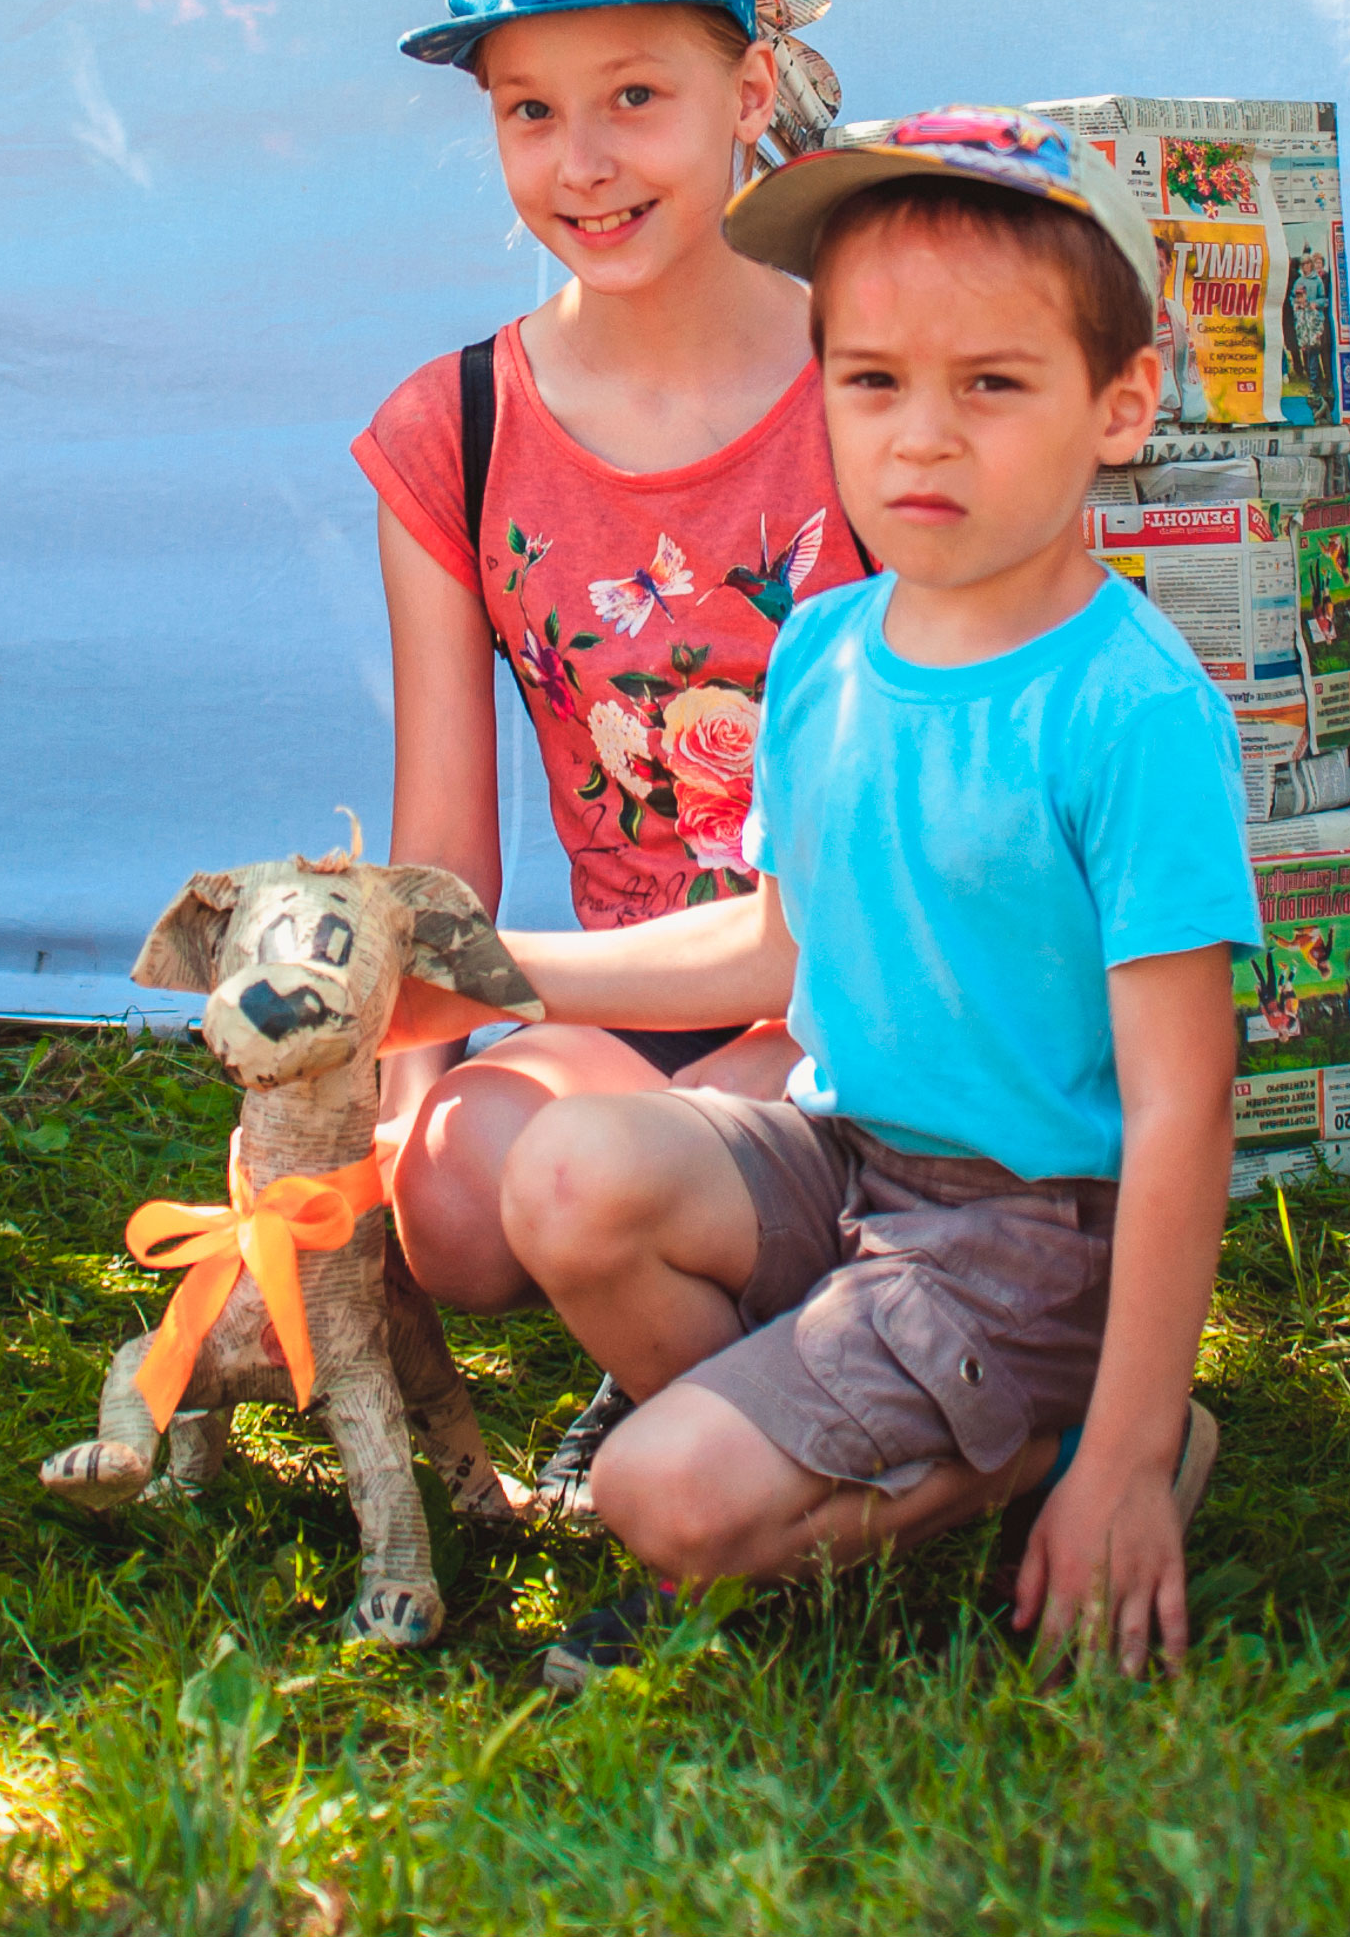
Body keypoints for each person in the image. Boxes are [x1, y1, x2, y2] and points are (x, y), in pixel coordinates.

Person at [491, 108, 1255, 1684]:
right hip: (846, 1156)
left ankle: (1063, 1442)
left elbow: (1184, 1105)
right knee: (564, 1168)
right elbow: (780, 944)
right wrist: (494, 969)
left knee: (650, 1489)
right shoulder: (827, 646)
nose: (921, 438)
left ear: (1121, 403)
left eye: (993, 383)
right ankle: (811, 1432)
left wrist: (1123, 1456)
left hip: (1032, 1224)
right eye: (874, 380)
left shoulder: (1129, 706)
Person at [353, 0, 853, 1424]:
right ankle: (732, 1336)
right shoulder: (455, 427)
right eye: (530, 110)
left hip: (853, 996)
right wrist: (401, 1090)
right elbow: (442, 839)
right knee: (449, 1194)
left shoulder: (871, 388)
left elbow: (867, 886)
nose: (582, 162)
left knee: (664, 1159)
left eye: (636, 96)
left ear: (750, 93)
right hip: (618, 1002)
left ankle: (789, 1419)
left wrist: (482, 983)